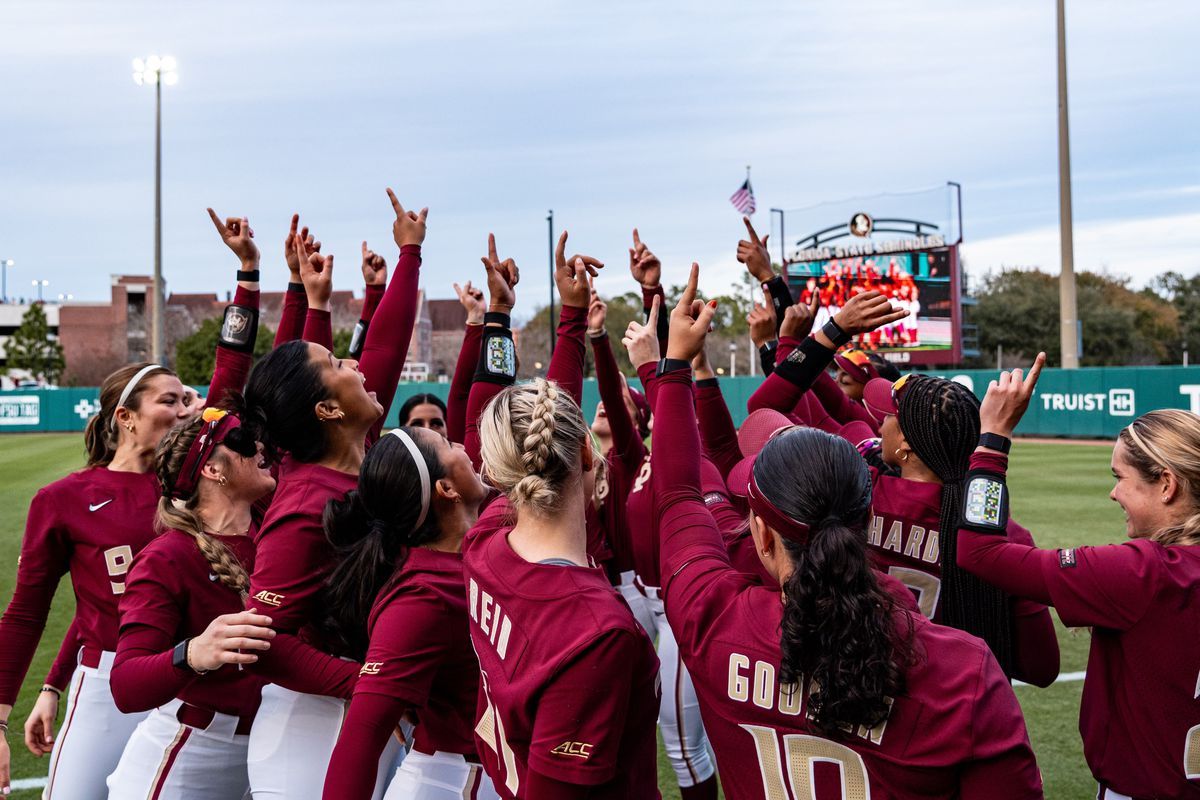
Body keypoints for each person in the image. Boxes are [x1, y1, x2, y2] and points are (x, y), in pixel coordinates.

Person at [650, 265, 1043, 798]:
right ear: (861, 525)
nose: (876, 417)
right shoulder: (992, 558)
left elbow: (686, 483)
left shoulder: (718, 617)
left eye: (890, 413)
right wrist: (991, 448)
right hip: (937, 678)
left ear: (764, 536)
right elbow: (1040, 666)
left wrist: (672, 366)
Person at [241, 188, 425, 800]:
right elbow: (261, 643)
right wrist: (363, 682)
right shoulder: (301, 504)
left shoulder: (358, 456)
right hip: (309, 729)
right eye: (335, 362)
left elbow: (387, 351)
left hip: (361, 712)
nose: (355, 360)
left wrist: (409, 255)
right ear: (324, 408)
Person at [957, 355, 1200, 799]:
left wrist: (992, 441)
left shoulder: (1141, 572)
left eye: (1120, 478)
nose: (1113, 492)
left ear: (1167, 485)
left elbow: (979, 551)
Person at [0, 362, 189, 799]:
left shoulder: (193, 488)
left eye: (185, 400)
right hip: (107, 682)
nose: (183, 411)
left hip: (189, 677)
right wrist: (33, 697)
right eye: (168, 400)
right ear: (126, 417)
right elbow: (29, 613)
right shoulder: (63, 499)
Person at [105, 409, 276, 799]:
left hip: (273, 748)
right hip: (193, 755)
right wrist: (194, 653)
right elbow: (126, 686)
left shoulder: (275, 531)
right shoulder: (166, 558)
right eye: (242, 441)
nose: (260, 446)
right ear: (214, 471)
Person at [320, 427, 497, 800]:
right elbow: (364, 732)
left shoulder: (481, 551)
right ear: (446, 489)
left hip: (485, 776)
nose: (465, 447)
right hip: (453, 781)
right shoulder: (422, 596)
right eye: (449, 445)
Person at [857, 373, 1060, 686]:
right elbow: (1041, 668)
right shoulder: (1005, 533)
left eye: (888, 417)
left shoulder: (861, 496)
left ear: (907, 442)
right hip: (961, 705)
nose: (880, 425)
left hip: (871, 697)